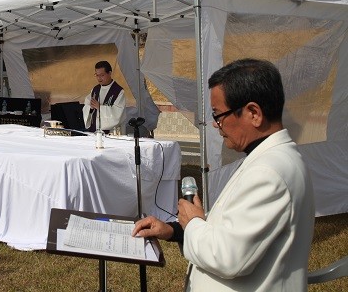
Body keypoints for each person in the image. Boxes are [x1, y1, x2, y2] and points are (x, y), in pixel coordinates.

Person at [132, 58, 315, 291]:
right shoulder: (269, 160)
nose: (216, 125)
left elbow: (227, 257)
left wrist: (194, 222)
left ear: (253, 113)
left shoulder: (269, 172)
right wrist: (175, 231)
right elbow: (234, 228)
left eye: (219, 115)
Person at [82, 60, 126, 132]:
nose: (99, 78)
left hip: (111, 133)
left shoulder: (118, 91)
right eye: (97, 75)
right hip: (94, 131)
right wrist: (90, 108)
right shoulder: (95, 89)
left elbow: (117, 114)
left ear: (109, 73)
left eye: (102, 75)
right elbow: (87, 105)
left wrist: (99, 107)